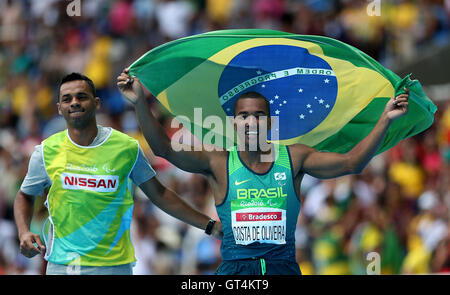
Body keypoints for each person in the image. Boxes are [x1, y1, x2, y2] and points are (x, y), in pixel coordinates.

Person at [117, 68, 409, 275]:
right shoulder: (218, 162)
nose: (251, 122)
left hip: (284, 268)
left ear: (269, 123)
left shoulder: (295, 158)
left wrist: (385, 119)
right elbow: (164, 149)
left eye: (259, 116)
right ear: (234, 123)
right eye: (243, 116)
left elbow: (351, 163)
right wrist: (140, 102)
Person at [14, 72, 222, 275]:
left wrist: (209, 225)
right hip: (62, 266)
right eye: (67, 99)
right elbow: (25, 195)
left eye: (82, 96)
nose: (74, 102)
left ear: (96, 103)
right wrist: (23, 231)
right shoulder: (46, 151)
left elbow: (159, 194)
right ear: (60, 109)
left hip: (114, 266)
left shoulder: (126, 148)